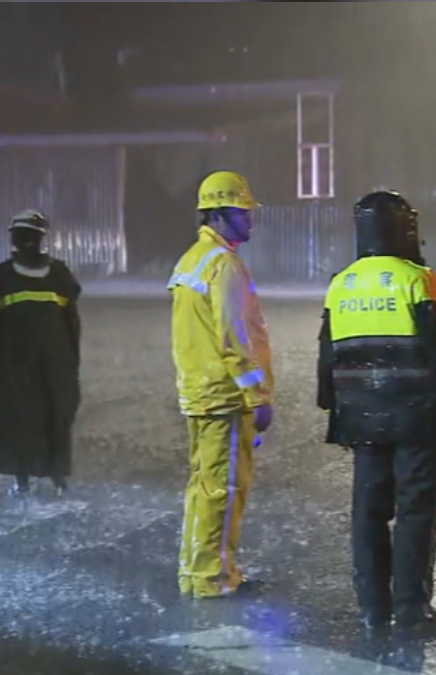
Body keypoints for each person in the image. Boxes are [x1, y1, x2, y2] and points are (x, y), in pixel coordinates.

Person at [316, 191, 436, 662]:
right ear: (404, 229)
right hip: (418, 418)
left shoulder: (340, 284)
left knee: (368, 511)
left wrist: (336, 409)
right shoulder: (419, 280)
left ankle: (372, 608)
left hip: (361, 417)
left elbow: (328, 357)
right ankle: (411, 610)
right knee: (415, 513)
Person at [169, 170, 274, 599]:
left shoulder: (193, 259)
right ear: (218, 213)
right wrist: (258, 394)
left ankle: (195, 572)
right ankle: (216, 577)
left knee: (204, 488)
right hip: (226, 396)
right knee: (226, 490)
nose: (249, 219)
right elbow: (234, 336)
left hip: (200, 392)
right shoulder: (224, 266)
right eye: (241, 211)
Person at [0, 209, 82, 498]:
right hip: (53, 361)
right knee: (53, 414)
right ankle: (56, 477)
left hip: (14, 362)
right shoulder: (58, 273)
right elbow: (72, 320)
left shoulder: (4, 275)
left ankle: (25, 479)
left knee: (19, 416)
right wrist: (71, 358)